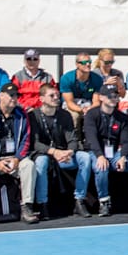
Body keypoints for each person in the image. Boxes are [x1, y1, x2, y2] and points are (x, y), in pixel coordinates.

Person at [30, 81, 93, 219]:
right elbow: (35, 143)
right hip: (45, 154)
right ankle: (42, 204)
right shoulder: (33, 116)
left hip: (63, 155)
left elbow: (72, 139)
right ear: (41, 99)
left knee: (85, 157)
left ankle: (79, 200)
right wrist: (53, 152)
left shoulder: (64, 115)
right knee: (41, 162)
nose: (56, 98)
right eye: (51, 95)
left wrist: (69, 151)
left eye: (57, 95)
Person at [87, 89, 128, 217]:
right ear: (101, 97)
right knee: (101, 166)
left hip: (114, 153)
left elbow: (126, 141)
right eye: (110, 96)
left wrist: (123, 156)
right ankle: (104, 201)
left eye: (116, 96)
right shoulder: (92, 115)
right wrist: (100, 156)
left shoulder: (122, 117)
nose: (114, 98)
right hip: (97, 152)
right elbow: (91, 138)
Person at [0, 82, 36, 226]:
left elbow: (26, 140)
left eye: (16, 95)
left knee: (29, 165)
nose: (14, 98)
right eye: (11, 95)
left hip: (14, 158)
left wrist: (17, 158)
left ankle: (27, 206)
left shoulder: (22, 115)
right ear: (1, 96)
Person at [59, 53, 106, 128]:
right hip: (72, 105)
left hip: (89, 104)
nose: (87, 64)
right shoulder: (67, 78)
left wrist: (89, 109)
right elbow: (69, 102)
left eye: (89, 62)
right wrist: (82, 110)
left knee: (98, 115)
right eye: (84, 62)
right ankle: (74, 139)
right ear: (77, 64)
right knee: (74, 116)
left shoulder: (97, 79)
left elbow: (96, 102)